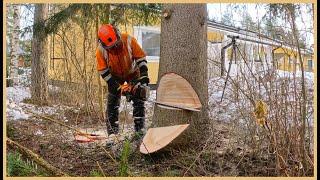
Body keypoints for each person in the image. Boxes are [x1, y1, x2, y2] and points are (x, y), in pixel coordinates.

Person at [95, 24, 149, 139]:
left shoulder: (128, 40)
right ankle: (112, 134)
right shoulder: (100, 51)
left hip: (133, 72)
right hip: (114, 76)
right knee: (112, 103)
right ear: (104, 46)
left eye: (116, 45)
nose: (115, 48)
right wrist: (115, 85)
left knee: (139, 100)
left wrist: (144, 76)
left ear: (118, 35)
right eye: (112, 47)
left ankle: (140, 131)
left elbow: (141, 58)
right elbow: (103, 70)